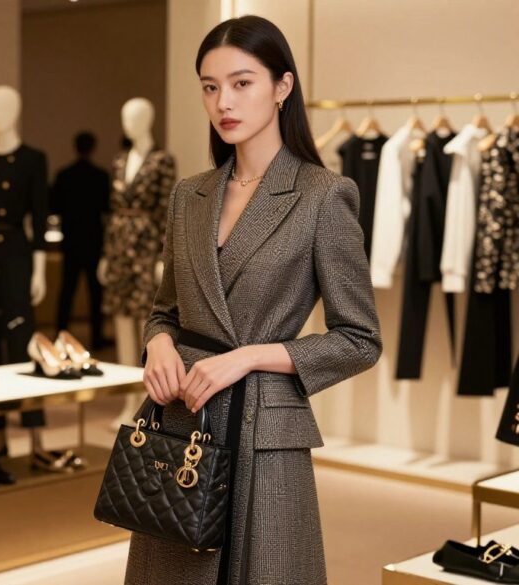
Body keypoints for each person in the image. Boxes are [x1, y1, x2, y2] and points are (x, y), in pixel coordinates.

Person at [125, 15, 382, 585]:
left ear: (282, 86)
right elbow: (165, 309)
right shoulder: (189, 195)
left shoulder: (323, 196)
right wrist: (159, 344)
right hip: (182, 419)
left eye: (242, 83)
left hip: (263, 433)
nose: (224, 102)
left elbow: (360, 339)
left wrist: (247, 357)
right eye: (210, 87)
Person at [51, 131, 111, 348]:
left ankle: (60, 333)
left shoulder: (65, 175)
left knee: (67, 289)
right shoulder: (100, 176)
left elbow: (54, 205)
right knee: (95, 292)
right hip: (93, 238)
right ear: (93, 147)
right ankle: (96, 336)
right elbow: (107, 207)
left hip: (72, 239)